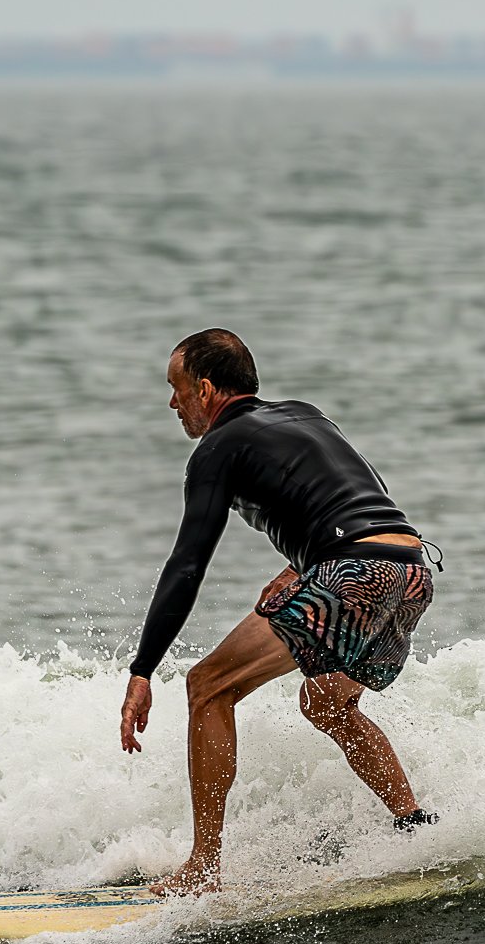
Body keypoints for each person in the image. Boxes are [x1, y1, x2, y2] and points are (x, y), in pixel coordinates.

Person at [119, 328, 439, 894]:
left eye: (176, 389)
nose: (173, 403)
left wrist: (143, 669)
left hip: (352, 573)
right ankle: (415, 823)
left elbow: (188, 563)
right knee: (326, 704)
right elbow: (364, 492)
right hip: (410, 568)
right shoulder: (305, 414)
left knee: (208, 686)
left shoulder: (215, 450)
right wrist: (302, 565)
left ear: (207, 387)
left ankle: (203, 869)